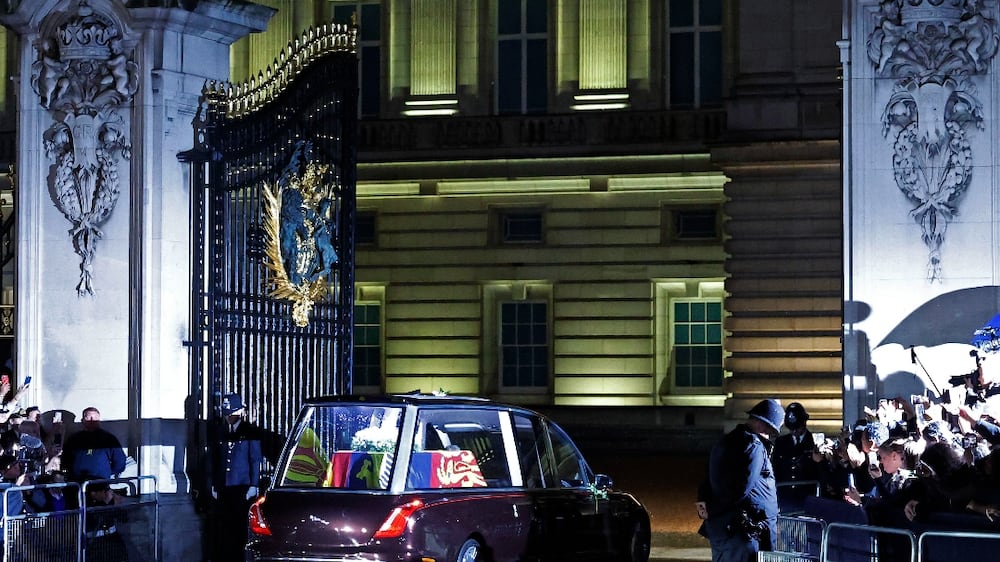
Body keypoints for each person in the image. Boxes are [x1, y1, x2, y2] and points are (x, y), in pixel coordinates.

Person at [697, 399, 784, 561]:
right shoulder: (753, 445)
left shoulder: (726, 440)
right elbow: (742, 487)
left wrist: (705, 503)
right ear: (762, 425)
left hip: (725, 526)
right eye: (770, 431)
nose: (769, 436)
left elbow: (709, 474)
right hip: (741, 530)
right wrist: (713, 508)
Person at [212, 393, 263, 561]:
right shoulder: (222, 431)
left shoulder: (250, 431)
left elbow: (255, 459)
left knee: (239, 527)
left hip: (242, 486)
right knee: (225, 526)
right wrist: (215, 483)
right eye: (227, 414)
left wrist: (254, 485)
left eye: (231, 413)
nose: (228, 417)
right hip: (226, 486)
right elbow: (218, 459)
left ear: (240, 412)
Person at [772, 402, 819, 513]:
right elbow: (776, 468)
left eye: (797, 427)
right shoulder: (781, 442)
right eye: (791, 428)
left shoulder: (814, 442)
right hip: (785, 497)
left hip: (807, 497)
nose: (794, 431)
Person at [61, 407, 127, 483]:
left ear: (99, 421)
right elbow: (65, 460)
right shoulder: (73, 439)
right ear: (82, 420)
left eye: (95, 418)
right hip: (77, 483)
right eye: (88, 418)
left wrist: (107, 473)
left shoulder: (109, 439)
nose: (92, 420)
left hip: (100, 483)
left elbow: (120, 462)